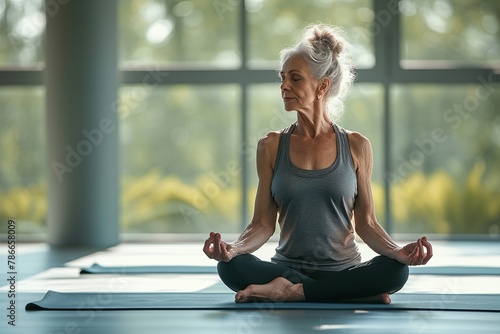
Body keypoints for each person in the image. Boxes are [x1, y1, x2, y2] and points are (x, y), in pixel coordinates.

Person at [203, 24, 433, 304]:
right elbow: (262, 223)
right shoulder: (271, 146)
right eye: (282, 77)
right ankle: (349, 293)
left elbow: (367, 223)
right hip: (287, 269)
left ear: (322, 86)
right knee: (230, 266)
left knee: (396, 271)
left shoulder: (357, 146)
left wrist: (397, 252)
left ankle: (291, 291)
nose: (284, 86)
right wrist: (234, 249)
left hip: (344, 268)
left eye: (295, 78)